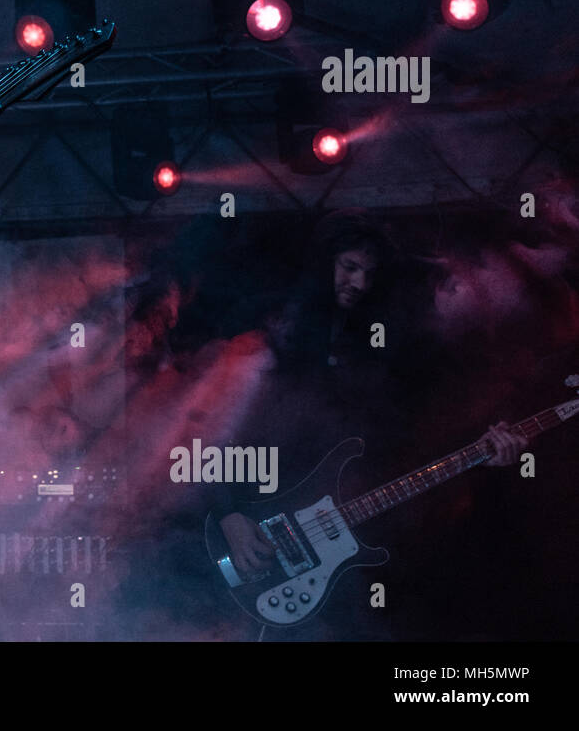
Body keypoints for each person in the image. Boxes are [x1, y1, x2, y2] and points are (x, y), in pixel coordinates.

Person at [213, 209, 526, 639]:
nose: (358, 283)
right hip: (267, 530)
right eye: (349, 267)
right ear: (325, 262)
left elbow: (426, 428)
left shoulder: (384, 344)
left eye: (369, 273)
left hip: (354, 561)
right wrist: (229, 513)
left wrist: (485, 447)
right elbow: (223, 434)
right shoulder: (279, 332)